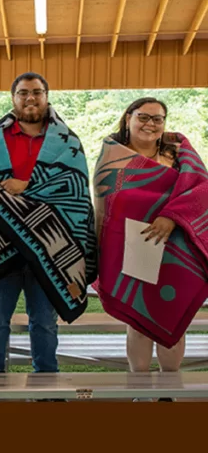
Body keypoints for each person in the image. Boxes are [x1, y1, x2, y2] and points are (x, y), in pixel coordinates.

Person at [0, 72, 97, 376]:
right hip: (0, 244)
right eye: (23, 93)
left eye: (36, 92)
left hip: (49, 246)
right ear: (13, 98)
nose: (30, 98)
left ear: (47, 96)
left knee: (44, 321)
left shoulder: (68, 140)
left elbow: (72, 186)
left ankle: (46, 382)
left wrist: (26, 187)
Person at [92, 97, 208, 394]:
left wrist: (170, 217)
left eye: (158, 119)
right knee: (139, 324)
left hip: (178, 248)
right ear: (128, 118)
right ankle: (140, 395)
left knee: (174, 322)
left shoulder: (181, 154)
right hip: (132, 247)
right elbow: (106, 208)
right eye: (144, 117)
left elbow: (201, 190)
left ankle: (168, 394)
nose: (151, 124)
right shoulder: (114, 157)